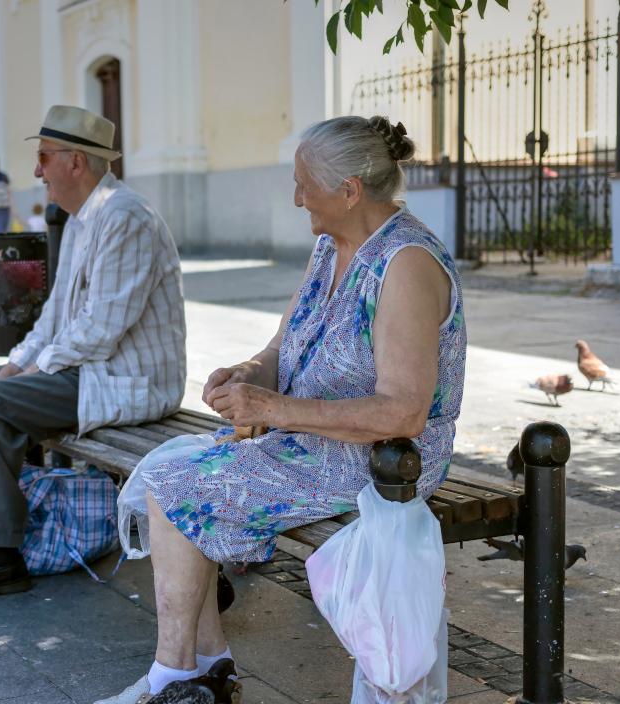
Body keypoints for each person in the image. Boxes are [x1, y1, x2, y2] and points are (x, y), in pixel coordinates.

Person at [95, 116, 467, 704]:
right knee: (170, 477)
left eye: (303, 185)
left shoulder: (406, 265)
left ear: (349, 190)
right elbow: (282, 347)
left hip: (385, 460)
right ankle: (202, 669)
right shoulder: (331, 246)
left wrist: (272, 407)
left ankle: (178, 674)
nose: (295, 198)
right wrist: (248, 374)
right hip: (319, 441)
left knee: (175, 487)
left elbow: (403, 413)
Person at [0, 105, 187, 601]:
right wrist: (14, 366)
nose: (36, 171)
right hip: (90, 370)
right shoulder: (84, 219)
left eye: (44, 157)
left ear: (76, 162)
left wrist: (27, 374)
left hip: (127, 380)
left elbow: (101, 329)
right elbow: (54, 320)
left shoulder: (127, 218)